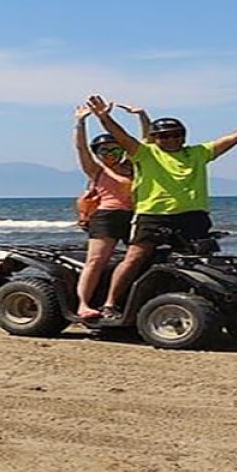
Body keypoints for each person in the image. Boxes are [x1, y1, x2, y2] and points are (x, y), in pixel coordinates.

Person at [86, 94, 237, 317]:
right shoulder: (145, 153)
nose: (171, 139)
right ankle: (110, 304)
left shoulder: (198, 153)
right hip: (153, 216)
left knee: (200, 261)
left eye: (176, 135)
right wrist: (104, 117)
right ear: (154, 138)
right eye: (164, 136)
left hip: (193, 217)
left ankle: (198, 304)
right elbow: (122, 136)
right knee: (135, 257)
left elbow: (236, 137)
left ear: (183, 136)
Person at [72, 103, 150, 319]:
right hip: (107, 216)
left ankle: (119, 301)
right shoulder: (96, 170)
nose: (110, 154)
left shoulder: (133, 166)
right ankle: (83, 305)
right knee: (96, 261)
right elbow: (81, 148)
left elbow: (147, 142)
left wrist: (142, 116)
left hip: (135, 216)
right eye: (103, 151)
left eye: (115, 149)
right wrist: (80, 122)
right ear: (97, 154)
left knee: (139, 258)